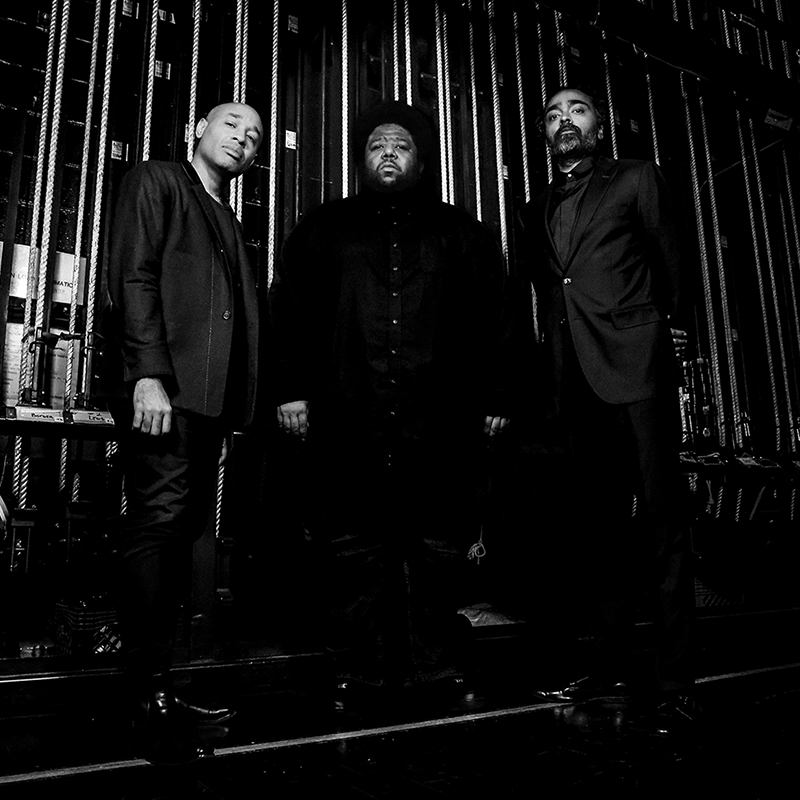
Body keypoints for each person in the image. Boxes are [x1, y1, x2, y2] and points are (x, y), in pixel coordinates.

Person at [269, 101, 516, 698]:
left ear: (421, 161)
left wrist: (498, 394)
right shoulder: (323, 229)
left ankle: (431, 664)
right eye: (377, 144)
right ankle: (357, 667)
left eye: (400, 146)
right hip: (347, 417)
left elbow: (498, 323)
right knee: (352, 546)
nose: (388, 152)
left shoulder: (465, 236)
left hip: (440, 422)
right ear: (362, 159)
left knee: (434, 548)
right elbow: (290, 316)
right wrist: (290, 391)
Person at [518, 85, 697, 734]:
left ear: (600, 125)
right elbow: (550, 291)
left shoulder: (638, 178)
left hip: (638, 368)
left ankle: (676, 677)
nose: (565, 120)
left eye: (578, 110)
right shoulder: (536, 205)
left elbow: (671, 260)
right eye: (553, 114)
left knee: (661, 525)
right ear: (544, 132)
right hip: (574, 386)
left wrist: (674, 332)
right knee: (596, 534)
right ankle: (609, 664)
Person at [105, 102, 263, 762]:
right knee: (159, 525)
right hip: (165, 393)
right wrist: (147, 374)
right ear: (197, 126)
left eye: (254, 134)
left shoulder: (227, 216)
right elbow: (133, 273)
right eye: (232, 123)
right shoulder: (159, 180)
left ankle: (159, 686)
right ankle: (141, 698)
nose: (244, 137)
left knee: (179, 534)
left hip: (207, 405)